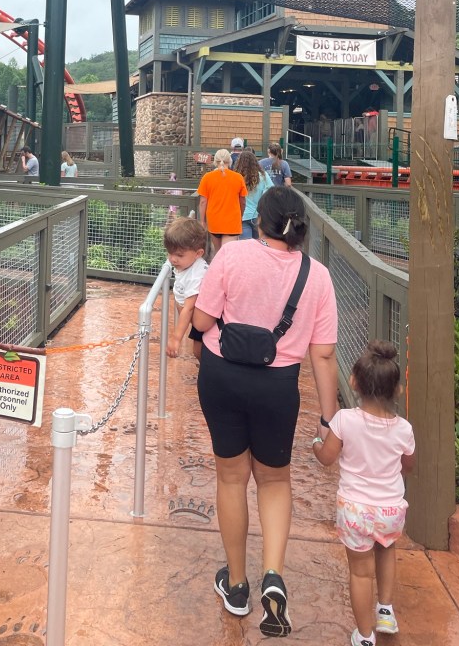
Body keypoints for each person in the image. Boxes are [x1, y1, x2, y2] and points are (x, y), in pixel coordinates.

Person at [191, 186, 339, 638]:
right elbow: (323, 355)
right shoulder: (317, 276)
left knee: (231, 478)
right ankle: (273, 576)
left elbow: (201, 322)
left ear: (260, 221)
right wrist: (329, 420)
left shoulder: (231, 255)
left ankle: (237, 585)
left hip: (222, 376)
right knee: (274, 480)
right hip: (278, 387)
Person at [312, 341, 415, 646]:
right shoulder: (404, 429)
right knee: (386, 549)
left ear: (354, 382)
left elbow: (327, 458)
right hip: (390, 511)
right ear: (397, 390)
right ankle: (385, 610)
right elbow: (408, 466)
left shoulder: (344, 420)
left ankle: (365, 636)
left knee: (360, 573)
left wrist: (317, 443)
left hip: (355, 511)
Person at [163, 216, 209, 360]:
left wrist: (176, 338)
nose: (172, 259)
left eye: (179, 255)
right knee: (198, 350)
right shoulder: (186, 263)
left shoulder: (197, 274)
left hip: (204, 319)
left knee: (199, 351)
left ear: (198, 254)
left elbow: (189, 308)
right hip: (194, 318)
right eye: (170, 253)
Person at [197, 148, 247, 256]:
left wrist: (202, 221)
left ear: (215, 161)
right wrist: (240, 215)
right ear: (230, 161)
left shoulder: (207, 177)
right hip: (232, 221)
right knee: (228, 255)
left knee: (218, 252)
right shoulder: (238, 178)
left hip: (214, 220)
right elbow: (243, 201)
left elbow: (203, 202)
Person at [234, 148, 273, 239]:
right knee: (259, 244)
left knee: (246, 245)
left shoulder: (236, 177)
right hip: (259, 215)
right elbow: (271, 191)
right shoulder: (263, 175)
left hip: (242, 215)